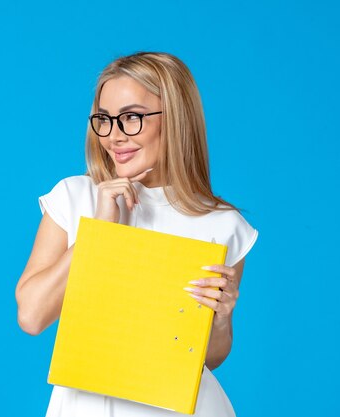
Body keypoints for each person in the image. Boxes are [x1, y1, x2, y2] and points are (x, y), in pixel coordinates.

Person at [14, 51, 259, 417]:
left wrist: (221, 318)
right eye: (104, 119)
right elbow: (31, 317)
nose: (114, 136)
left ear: (175, 119)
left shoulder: (223, 225)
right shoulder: (75, 196)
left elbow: (210, 358)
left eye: (131, 117)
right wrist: (99, 233)